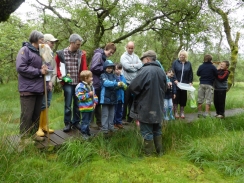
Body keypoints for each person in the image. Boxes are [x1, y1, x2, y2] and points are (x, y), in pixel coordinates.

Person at [129, 50, 167, 156]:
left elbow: (133, 87)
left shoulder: (144, 70)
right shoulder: (161, 71)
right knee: (157, 130)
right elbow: (165, 88)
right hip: (158, 106)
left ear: (147, 59)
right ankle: (160, 153)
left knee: (147, 131)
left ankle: (149, 155)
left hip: (145, 106)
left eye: (143, 60)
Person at [16, 30, 48, 141]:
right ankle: (24, 138)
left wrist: (45, 69)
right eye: (42, 39)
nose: (43, 42)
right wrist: (39, 71)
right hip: (28, 89)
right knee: (27, 115)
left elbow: (43, 66)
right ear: (35, 39)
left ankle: (33, 135)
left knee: (36, 114)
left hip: (39, 88)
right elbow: (21, 67)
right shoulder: (25, 50)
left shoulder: (41, 52)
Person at [55, 33, 87, 132]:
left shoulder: (81, 54)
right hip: (68, 83)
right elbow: (56, 67)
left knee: (77, 104)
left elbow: (84, 68)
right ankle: (67, 123)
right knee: (68, 105)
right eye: (77, 44)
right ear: (71, 43)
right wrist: (61, 77)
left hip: (78, 83)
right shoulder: (61, 54)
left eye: (80, 44)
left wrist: (84, 81)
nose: (79, 46)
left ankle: (76, 122)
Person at [36, 34, 58, 137]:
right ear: (45, 42)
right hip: (43, 82)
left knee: (47, 103)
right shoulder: (41, 51)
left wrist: (52, 81)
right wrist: (47, 81)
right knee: (42, 104)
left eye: (54, 42)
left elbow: (53, 68)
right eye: (51, 42)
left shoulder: (50, 52)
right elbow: (43, 68)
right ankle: (39, 127)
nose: (53, 44)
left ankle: (44, 125)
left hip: (50, 81)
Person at [90, 43, 116, 129]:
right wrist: (104, 69)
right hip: (95, 82)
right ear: (106, 48)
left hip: (99, 82)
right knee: (94, 102)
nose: (110, 54)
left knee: (97, 103)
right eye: (110, 52)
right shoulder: (98, 55)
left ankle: (99, 121)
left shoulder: (104, 57)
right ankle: (91, 122)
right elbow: (93, 67)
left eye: (112, 53)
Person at [120, 41, 142, 123]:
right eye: (129, 48)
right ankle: (122, 118)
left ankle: (130, 118)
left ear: (134, 48)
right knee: (125, 100)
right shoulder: (123, 56)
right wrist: (135, 66)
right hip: (126, 81)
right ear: (126, 47)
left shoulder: (136, 56)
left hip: (134, 82)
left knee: (132, 101)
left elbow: (141, 65)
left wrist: (132, 66)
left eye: (132, 48)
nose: (130, 49)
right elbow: (126, 67)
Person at [100, 60, 122, 134]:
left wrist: (120, 86)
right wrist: (116, 84)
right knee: (105, 114)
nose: (109, 69)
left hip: (113, 97)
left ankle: (111, 127)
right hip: (105, 98)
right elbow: (106, 83)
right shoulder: (103, 75)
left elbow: (117, 83)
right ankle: (104, 128)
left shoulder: (114, 76)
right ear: (105, 68)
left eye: (111, 68)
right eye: (107, 67)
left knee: (112, 114)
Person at [75, 70, 98, 139]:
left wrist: (95, 102)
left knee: (88, 121)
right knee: (84, 121)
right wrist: (88, 94)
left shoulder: (91, 85)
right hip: (84, 107)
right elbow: (80, 97)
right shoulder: (81, 86)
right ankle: (84, 133)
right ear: (86, 78)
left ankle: (88, 132)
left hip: (91, 107)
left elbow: (94, 94)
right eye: (91, 77)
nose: (92, 78)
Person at [172, 50, 193, 119]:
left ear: (185, 56)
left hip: (184, 84)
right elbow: (173, 71)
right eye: (180, 55)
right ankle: (175, 112)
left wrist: (190, 81)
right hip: (176, 83)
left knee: (183, 98)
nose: (181, 56)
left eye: (183, 55)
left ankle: (182, 112)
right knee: (176, 98)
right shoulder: (175, 62)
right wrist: (175, 79)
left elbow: (190, 73)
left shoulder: (188, 63)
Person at [113, 63, 127, 129]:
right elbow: (114, 86)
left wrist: (123, 85)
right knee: (114, 111)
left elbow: (125, 86)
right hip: (115, 97)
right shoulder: (113, 77)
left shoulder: (122, 77)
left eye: (119, 69)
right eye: (116, 69)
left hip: (121, 97)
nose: (118, 71)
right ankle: (114, 123)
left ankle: (119, 122)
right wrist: (118, 85)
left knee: (120, 110)